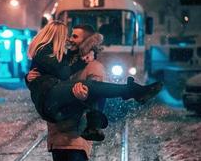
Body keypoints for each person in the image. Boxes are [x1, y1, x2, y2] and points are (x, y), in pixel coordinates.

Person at [26, 20, 162, 126]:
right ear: (57, 35)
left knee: (91, 87)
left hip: (49, 96)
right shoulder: (45, 51)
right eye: (65, 36)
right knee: (90, 86)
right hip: (47, 97)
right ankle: (133, 91)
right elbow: (63, 72)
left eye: (72, 36)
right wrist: (81, 61)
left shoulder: (49, 52)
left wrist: (85, 56)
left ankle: (132, 92)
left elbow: (54, 70)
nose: (67, 40)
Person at [27, 24, 108, 161]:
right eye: (70, 35)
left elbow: (98, 98)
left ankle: (132, 90)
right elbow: (46, 85)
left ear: (86, 42)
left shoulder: (93, 67)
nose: (69, 39)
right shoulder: (63, 61)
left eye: (75, 36)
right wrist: (29, 78)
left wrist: (84, 97)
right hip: (57, 133)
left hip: (75, 137)